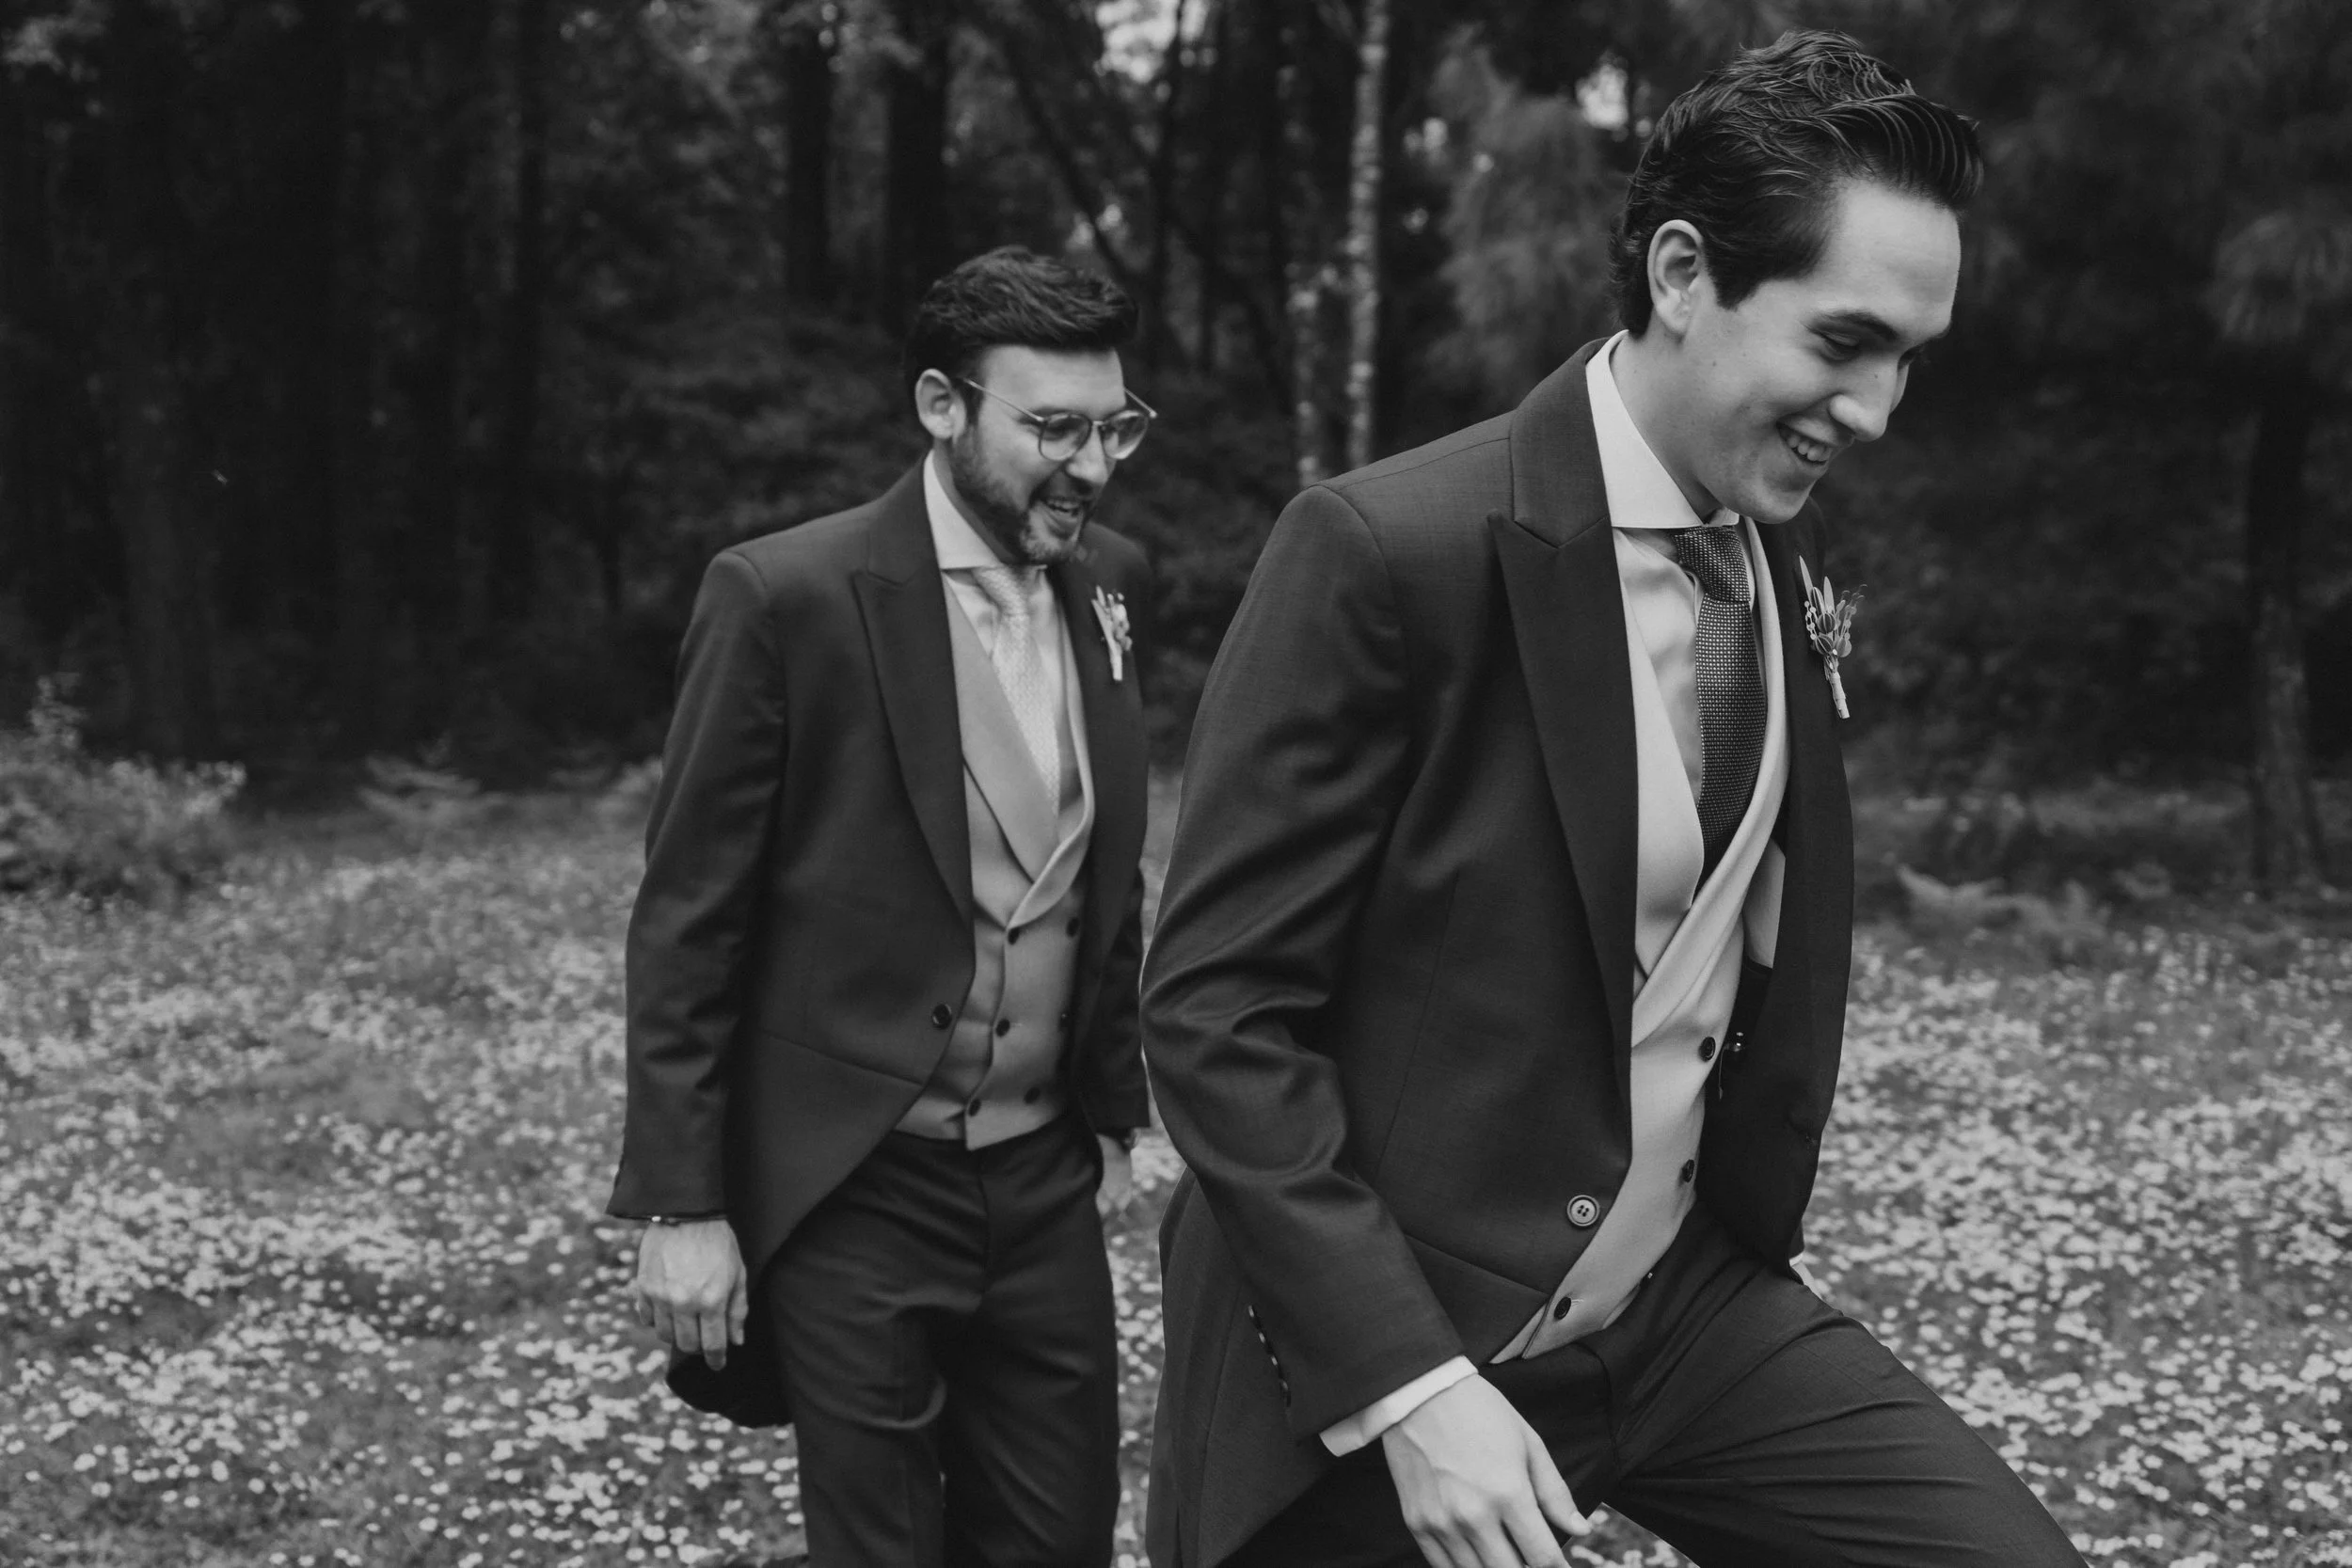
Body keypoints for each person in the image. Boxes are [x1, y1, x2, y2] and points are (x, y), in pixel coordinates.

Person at [1140, 32, 2085, 1568]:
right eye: (1844, 341)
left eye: (1911, 357)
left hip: (1678, 1308)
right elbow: (1213, 1007)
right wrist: (1409, 1384)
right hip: (1397, 1336)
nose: (1878, 408)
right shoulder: (1387, 552)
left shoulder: (1772, 553)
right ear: (1681, 271)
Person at [610, 245, 1158, 1568]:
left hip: (1039, 1179)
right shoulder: (785, 596)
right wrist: (684, 1204)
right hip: (860, 1176)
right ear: (940, 406)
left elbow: (1103, 869)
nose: (1089, 465)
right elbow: (691, 915)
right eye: (1054, 428)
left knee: (1057, 1542)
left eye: (1114, 428)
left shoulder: (1116, 584)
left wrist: (1123, 1107)